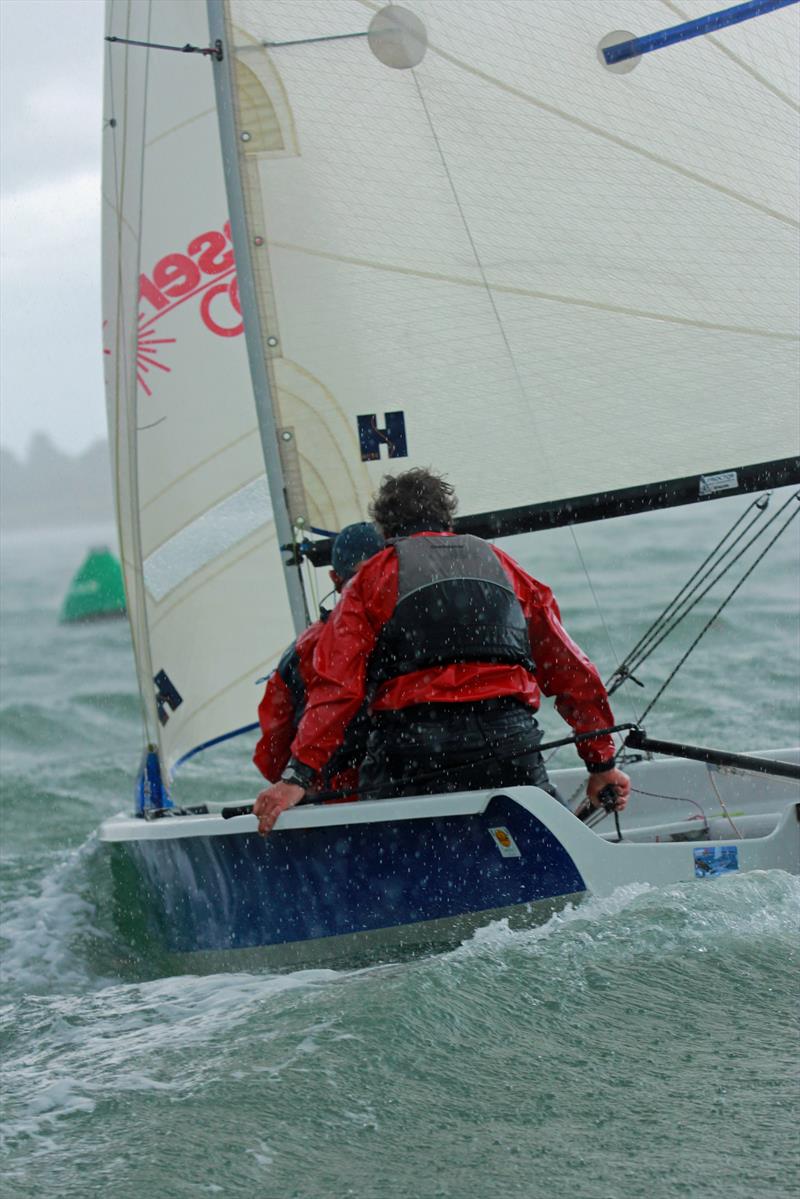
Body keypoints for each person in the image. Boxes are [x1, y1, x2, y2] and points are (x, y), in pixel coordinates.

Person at [254, 468, 630, 835]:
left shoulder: (372, 578)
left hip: (415, 749)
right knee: (549, 843)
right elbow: (571, 671)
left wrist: (297, 776)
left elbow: (338, 688)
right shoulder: (504, 566)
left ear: (385, 529)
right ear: (447, 518)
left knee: (389, 849)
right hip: (507, 741)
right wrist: (602, 763)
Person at [252, 521, 384, 798]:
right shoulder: (424, 627)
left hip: (339, 803)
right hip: (418, 783)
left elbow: (272, 758)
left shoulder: (304, 651)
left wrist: (296, 776)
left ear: (335, 579)